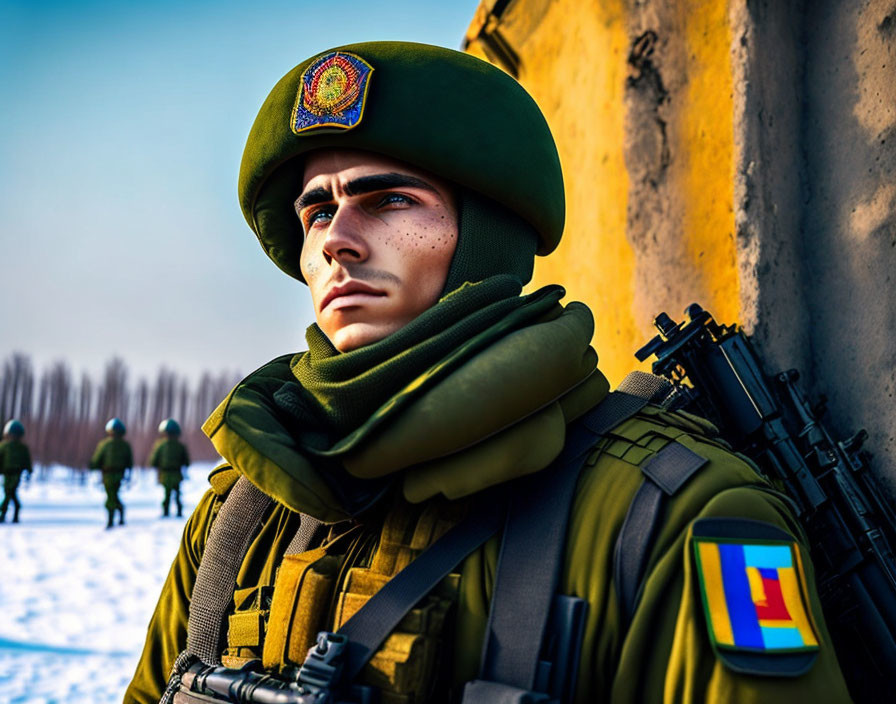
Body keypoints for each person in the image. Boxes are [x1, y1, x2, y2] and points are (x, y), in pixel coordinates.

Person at [125, 42, 852, 703]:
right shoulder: (245, 513)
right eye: (317, 211)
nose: (337, 241)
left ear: (487, 237)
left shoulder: (679, 518)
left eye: (389, 201)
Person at [90, 417, 132, 529]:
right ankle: (120, 512)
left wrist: (92, 465)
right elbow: (129, 463)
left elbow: (97, 460)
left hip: (109, 475)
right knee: (113, 495)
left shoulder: (104, 444)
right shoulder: (124, 445)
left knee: (111, 496)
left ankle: (110, 520)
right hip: (117, 475)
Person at [148, 418, 190, 517]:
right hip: (176, 474)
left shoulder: (160, 446)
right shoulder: (180, 446)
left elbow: (153, 461)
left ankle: (166, 512)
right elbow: (186, 462)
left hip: (165, 474)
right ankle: (179, 511)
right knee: (177, 494)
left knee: (167, 494)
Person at [0, 419, 33, 524]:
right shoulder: (4, 446)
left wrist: (28, 471)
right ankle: (15, 512)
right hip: (7, 473)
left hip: (16, 474)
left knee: (9, 493)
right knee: (10, 493)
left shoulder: (22, 448)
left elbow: (26, 461)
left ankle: (4, 513)